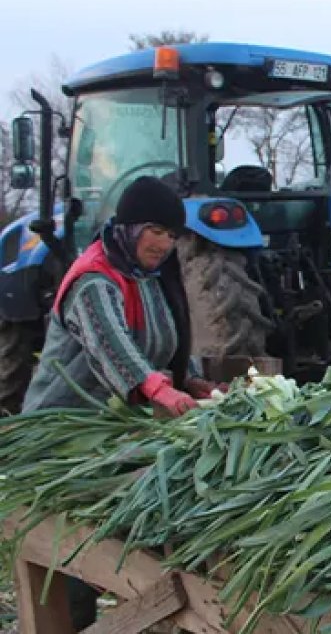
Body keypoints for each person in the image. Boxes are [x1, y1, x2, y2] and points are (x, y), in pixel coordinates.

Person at [21, 175, 222, 629]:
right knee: (72, 544)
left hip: (110, 432)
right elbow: (113, 346)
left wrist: (190, 380)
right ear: (130, 226)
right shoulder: (94, 278)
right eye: (156, 230)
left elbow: (166, 335)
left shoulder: (147, 275)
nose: (165, 244)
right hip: (62, 435)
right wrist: (158, 390)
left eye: (173, 235)